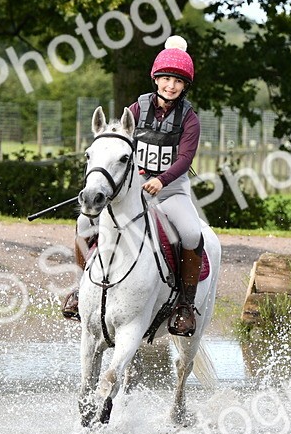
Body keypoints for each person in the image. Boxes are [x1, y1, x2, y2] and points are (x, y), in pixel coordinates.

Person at [62, 35, 205, 336]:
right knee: (83, 223)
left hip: (171, 190)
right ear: (156, 80)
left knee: (191, 233)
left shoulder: (189, 118)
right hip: (134, 188)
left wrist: (161, 179)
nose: (171, 85)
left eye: (177, 81)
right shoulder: (137, 109)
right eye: (166, 79)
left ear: (184, 86)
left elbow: (186, 157)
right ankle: (79, 290)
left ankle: (185, 305)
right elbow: (119, 144)